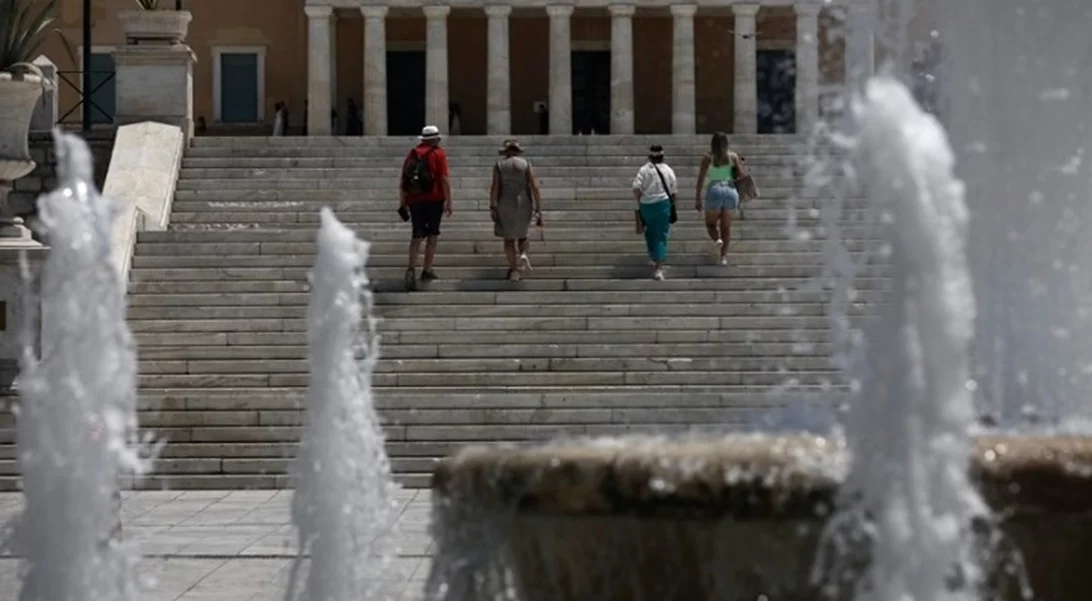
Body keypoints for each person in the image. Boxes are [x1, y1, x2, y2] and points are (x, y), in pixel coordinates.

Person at [399, 125, 452, 291]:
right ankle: (427, 268)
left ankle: (411, 268)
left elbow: (403, 180)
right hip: (434, 198)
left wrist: (403, 202)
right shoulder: (439, 154)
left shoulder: (412, 154)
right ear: (436, 140)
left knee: (416, 235)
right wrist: (449, 200)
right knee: (432, 235)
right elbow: (444, 178)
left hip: (414, 199)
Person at [489, 139, 543, 282]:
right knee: (523, 234)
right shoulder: (526, 164)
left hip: (505, 202)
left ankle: (514, 270)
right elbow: (534, 186)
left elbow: (495, 187)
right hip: (524, 201)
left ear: (506, 152)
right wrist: (538, 207)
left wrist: (493, 206)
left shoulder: (499, 165)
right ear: (518, 152)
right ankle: (523, 253)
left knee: (509, 239)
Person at [695, 131, 750, 266]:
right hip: (730, 191)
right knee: (726, 228)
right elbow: (741, 175)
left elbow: (701, 179)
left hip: (715, 190)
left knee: (710, 225)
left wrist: (698, 198)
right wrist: (741, 164)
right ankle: (723, 257)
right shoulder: (733, 156)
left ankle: (717, 239)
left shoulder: (708, 157)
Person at [631, 144, 678, 281]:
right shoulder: (668, 170)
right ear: (663, 156)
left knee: (650, 232)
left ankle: (653, 255)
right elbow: (674, 191)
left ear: (650, 157)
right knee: (661, 235)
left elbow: (636, 187)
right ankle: (658, 268)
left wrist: (640, 200)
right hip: (662, 204)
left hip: (646, 205)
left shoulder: (644, 170)